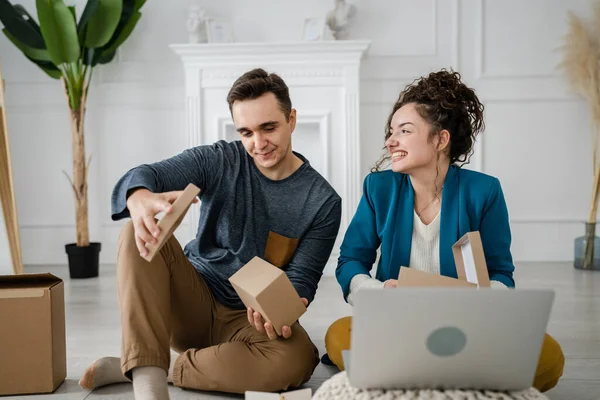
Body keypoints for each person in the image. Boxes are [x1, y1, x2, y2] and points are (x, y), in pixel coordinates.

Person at [78, 68, 342, 399]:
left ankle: (142, 366)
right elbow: (147, 174)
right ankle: (149, 386)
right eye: (246, 132)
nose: (258, 144)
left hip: (248, 322)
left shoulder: (323, 201)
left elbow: (303, 279)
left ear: (291, 119)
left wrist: (284, 310)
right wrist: (139, 196)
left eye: (268, 128)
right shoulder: (220, 159)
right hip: (190, 302)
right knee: (136, 231)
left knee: (298, 359)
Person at [322, 70, 565, 393]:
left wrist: (481, 302)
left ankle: (421, 376)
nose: (390, 141)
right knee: (339, 335)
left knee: (549, 356)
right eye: (391, 131)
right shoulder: (379, 188)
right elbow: (351, 260)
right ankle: (456, 379)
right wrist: (377, 293)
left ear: (440, 139)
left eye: (404, 131)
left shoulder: (484, 192)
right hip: (397, 324)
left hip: (465, 327)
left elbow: (501, 273)